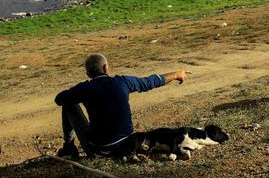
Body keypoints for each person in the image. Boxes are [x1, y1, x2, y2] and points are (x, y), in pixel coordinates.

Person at [55, 53, 188, 159]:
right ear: (106, 68)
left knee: (68, 104)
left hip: (99, 148)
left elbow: (59, 99)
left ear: (88, 74)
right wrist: (176, 74)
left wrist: (78, 92)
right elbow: (150, 82)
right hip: (129, 143)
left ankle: (69, 149)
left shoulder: (85, 88)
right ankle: (71, 149)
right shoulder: (122, 82)